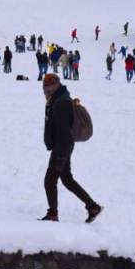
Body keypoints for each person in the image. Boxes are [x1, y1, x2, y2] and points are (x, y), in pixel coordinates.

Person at [40, 74, 101, 223]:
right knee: (67, 179)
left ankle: (53, 214)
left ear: (56, 85)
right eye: (45, 87)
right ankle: (93, 207)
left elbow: (64, 131)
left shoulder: (61, 103)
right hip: (62, 146)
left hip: (62, 147)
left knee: (50, 180)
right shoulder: (57, 99)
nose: (47, 90)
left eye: (49, 87)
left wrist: (60, 155)